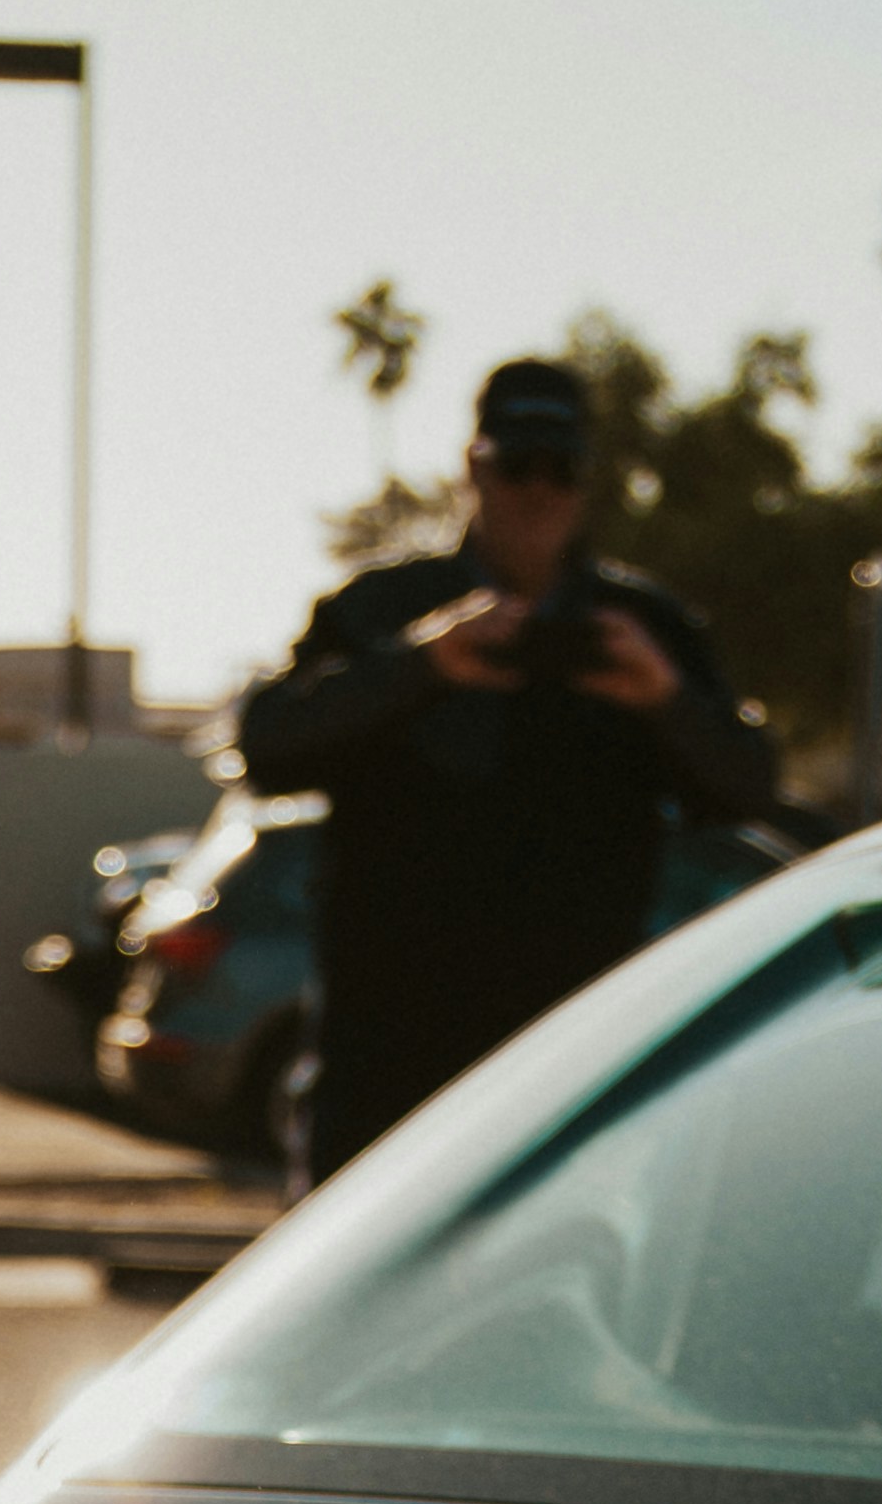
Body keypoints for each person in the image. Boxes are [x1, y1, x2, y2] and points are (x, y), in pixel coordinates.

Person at [237, 355, 783, 1183]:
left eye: (559, 470)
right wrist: (420, 666)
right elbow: (267, 747)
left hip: (572, 1064)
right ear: (475, 469)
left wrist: (664, 699)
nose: (537, 491)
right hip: (389, 1063)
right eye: (516, 466)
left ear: (586, 483)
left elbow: (747, 788)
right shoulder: (383, 611)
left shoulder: (642, 627)